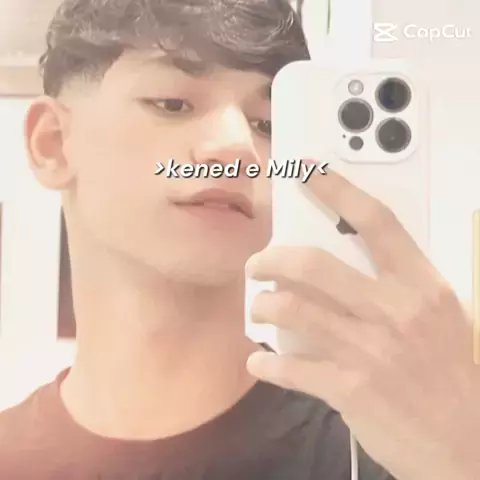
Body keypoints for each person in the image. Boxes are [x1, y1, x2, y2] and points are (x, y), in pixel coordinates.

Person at [0, 0, 479, 479]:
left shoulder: (388, 451)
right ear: (52, 143)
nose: (238, 147)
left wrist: (461, 456)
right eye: (173, 104)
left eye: (267, 123)